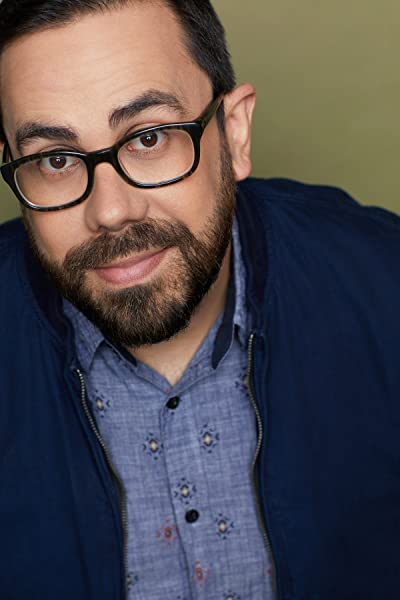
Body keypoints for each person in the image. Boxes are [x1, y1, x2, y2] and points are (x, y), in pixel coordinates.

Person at [1, 1, 400, 599]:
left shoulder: (385, 285)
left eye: (149, 137)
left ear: (234, 133)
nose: (110, 211)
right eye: (54, 160)